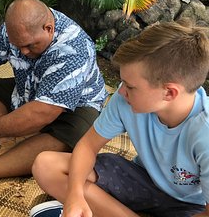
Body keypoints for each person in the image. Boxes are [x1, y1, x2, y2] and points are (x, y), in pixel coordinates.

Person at [0, 0, 108, 208]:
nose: (23, 52)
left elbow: (41, 114)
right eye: (18, 46)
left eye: (29, 45)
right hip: (31, 88)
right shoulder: (18, 29)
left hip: (78, 104)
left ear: (49, 28)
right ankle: (9, 143)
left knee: (73, 139)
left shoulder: (73, 48)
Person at [30, 19, 209, 217]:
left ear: (169, 93)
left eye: (130, 86)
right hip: (141, 180)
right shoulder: (126, 99)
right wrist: (74, 195)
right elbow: (88, 146)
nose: (120, 91)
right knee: (46, 165)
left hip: (188, 206)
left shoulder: (205, 132)